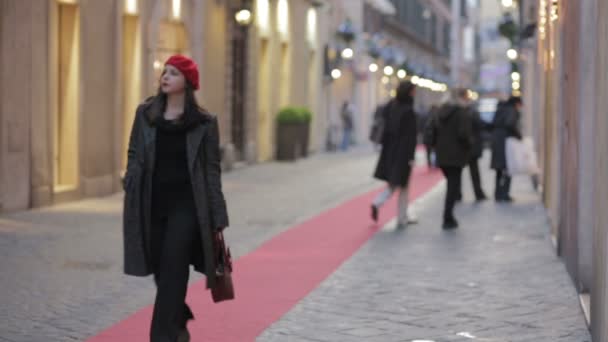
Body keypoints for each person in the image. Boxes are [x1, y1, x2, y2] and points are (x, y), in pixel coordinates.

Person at [123, 54, 229, 342]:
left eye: (174, 73)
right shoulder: (146, 114)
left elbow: (211, 170)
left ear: (188, 82)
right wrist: (131, 178)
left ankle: (162, 337)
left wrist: (218, 215)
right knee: (160, 268)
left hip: (187, 208)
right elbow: (134, 151)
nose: (165, 77)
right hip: (151, 204)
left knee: (174, 270)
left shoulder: (204, 123)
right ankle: (178, 317)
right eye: (165, 72)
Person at [371, 81, 419, 228]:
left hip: (390, 150)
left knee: (394, 183)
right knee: (402, 186)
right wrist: (411, 157)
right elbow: (410, 137)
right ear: (410, 92)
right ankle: (401, 217)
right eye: (414, 90)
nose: (415, 93)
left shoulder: (391, 106)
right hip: (403, 153)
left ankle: (380, 203)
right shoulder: (408, 111)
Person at [431, 89, 473, 229]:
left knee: (451, 184)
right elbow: (463, 134)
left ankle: (449, 216)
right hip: (456, 155)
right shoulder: (461, 113)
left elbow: (432, 131)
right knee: (452, 187)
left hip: (442, 154)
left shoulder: (439, 112)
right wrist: (469, 145)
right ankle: (447, 217)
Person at [491, 96, 523, 202]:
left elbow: (493, 123)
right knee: (508, 168)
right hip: (506, 142)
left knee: (499, 170)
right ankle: (505, 194)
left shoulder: (500, 109)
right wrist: (518, 136)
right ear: (516, 103)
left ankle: (497, 194)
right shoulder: (512, 110)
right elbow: (510, 124)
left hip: (497, 140)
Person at [456, 103, 488, 202]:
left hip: (461, 146)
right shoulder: (472, 113)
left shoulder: (458, 113)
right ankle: (478, 193)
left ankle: (458, 194)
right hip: (470, 146)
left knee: (458, 172)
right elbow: (480, 125)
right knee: (474, 172)